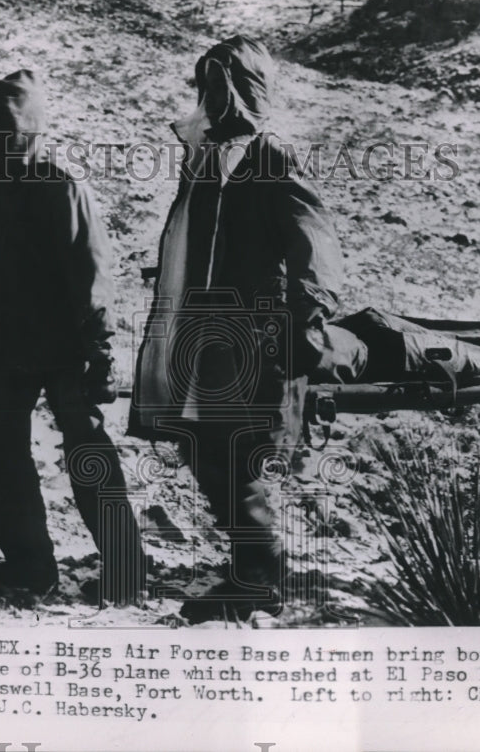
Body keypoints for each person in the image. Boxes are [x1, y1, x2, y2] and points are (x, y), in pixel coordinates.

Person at [128, 36, 343, 623]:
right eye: (204, 88)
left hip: (256, 337)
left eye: (218, 88)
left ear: (240, 92)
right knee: (202, 446)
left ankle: (256, 581)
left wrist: (306, 320)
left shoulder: (270, 158)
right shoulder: (204, 159)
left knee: (242, 457)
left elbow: (315, 247)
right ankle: (251, 568)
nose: (208, 100)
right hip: (202, 338)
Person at [0, 69, 146, 604]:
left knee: (87, 453)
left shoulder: (63, 185)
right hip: (13, 343)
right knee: (5, 453)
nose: (3, 143)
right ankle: (30, 567)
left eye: (12, 131)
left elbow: (91, 273)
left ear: (32, 132)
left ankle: (128, 570)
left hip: (68, 346)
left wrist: (100, 350)